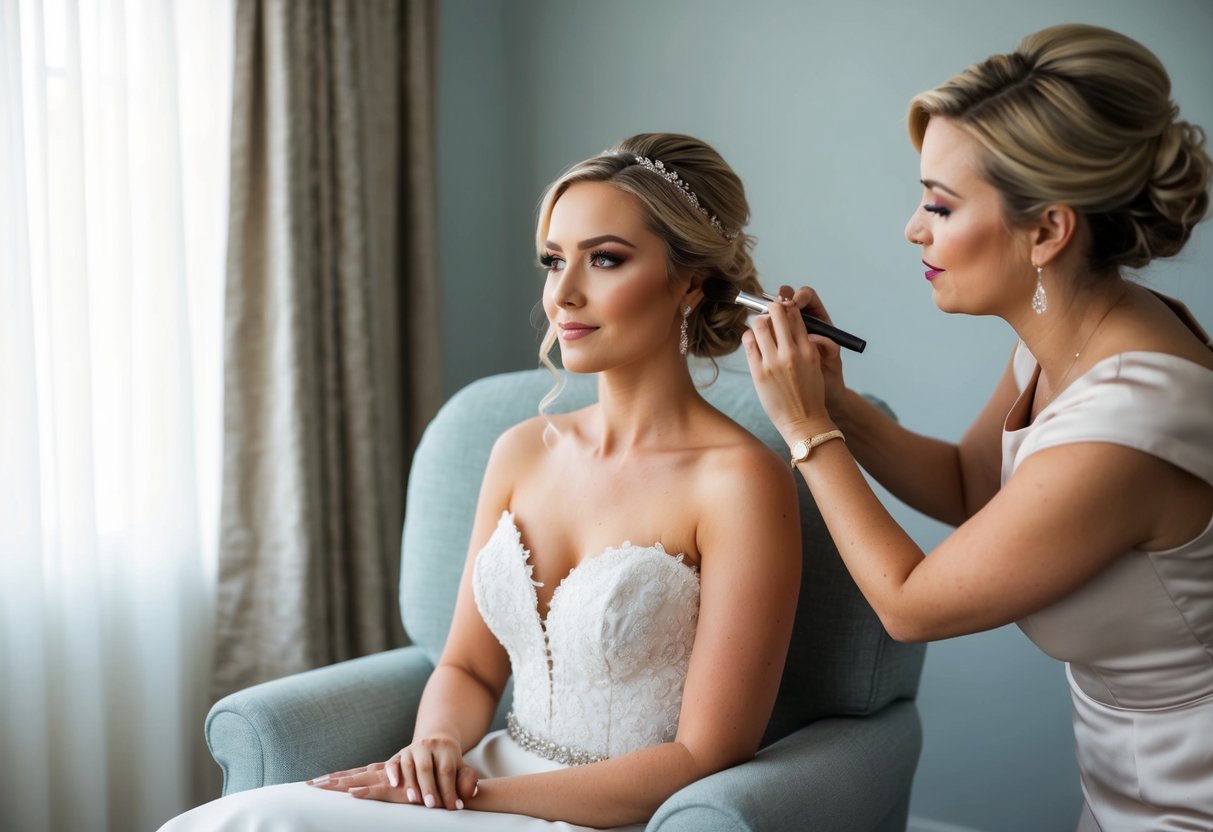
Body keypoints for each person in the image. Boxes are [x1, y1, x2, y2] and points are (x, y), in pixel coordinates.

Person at [160, 133, 801, 831]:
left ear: (691, 283)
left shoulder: (739, 482)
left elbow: (705, 752)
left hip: (604, 813)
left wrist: (471, 798)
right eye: (553, 262)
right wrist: (433, 747)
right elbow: (467, 667)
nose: (563, 294)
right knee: (235, 822)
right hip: (484, 777)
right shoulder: (519, 451)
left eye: (606, 259)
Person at [744, 23, 1213, 832]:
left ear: (1047, 231)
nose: (913, 229)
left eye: (939, 204)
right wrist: (840, 404)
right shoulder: (1076, 332)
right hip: (1122, 787)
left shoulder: (1127, 422)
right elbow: (975, 488)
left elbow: (909, 606)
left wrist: (807, 431)